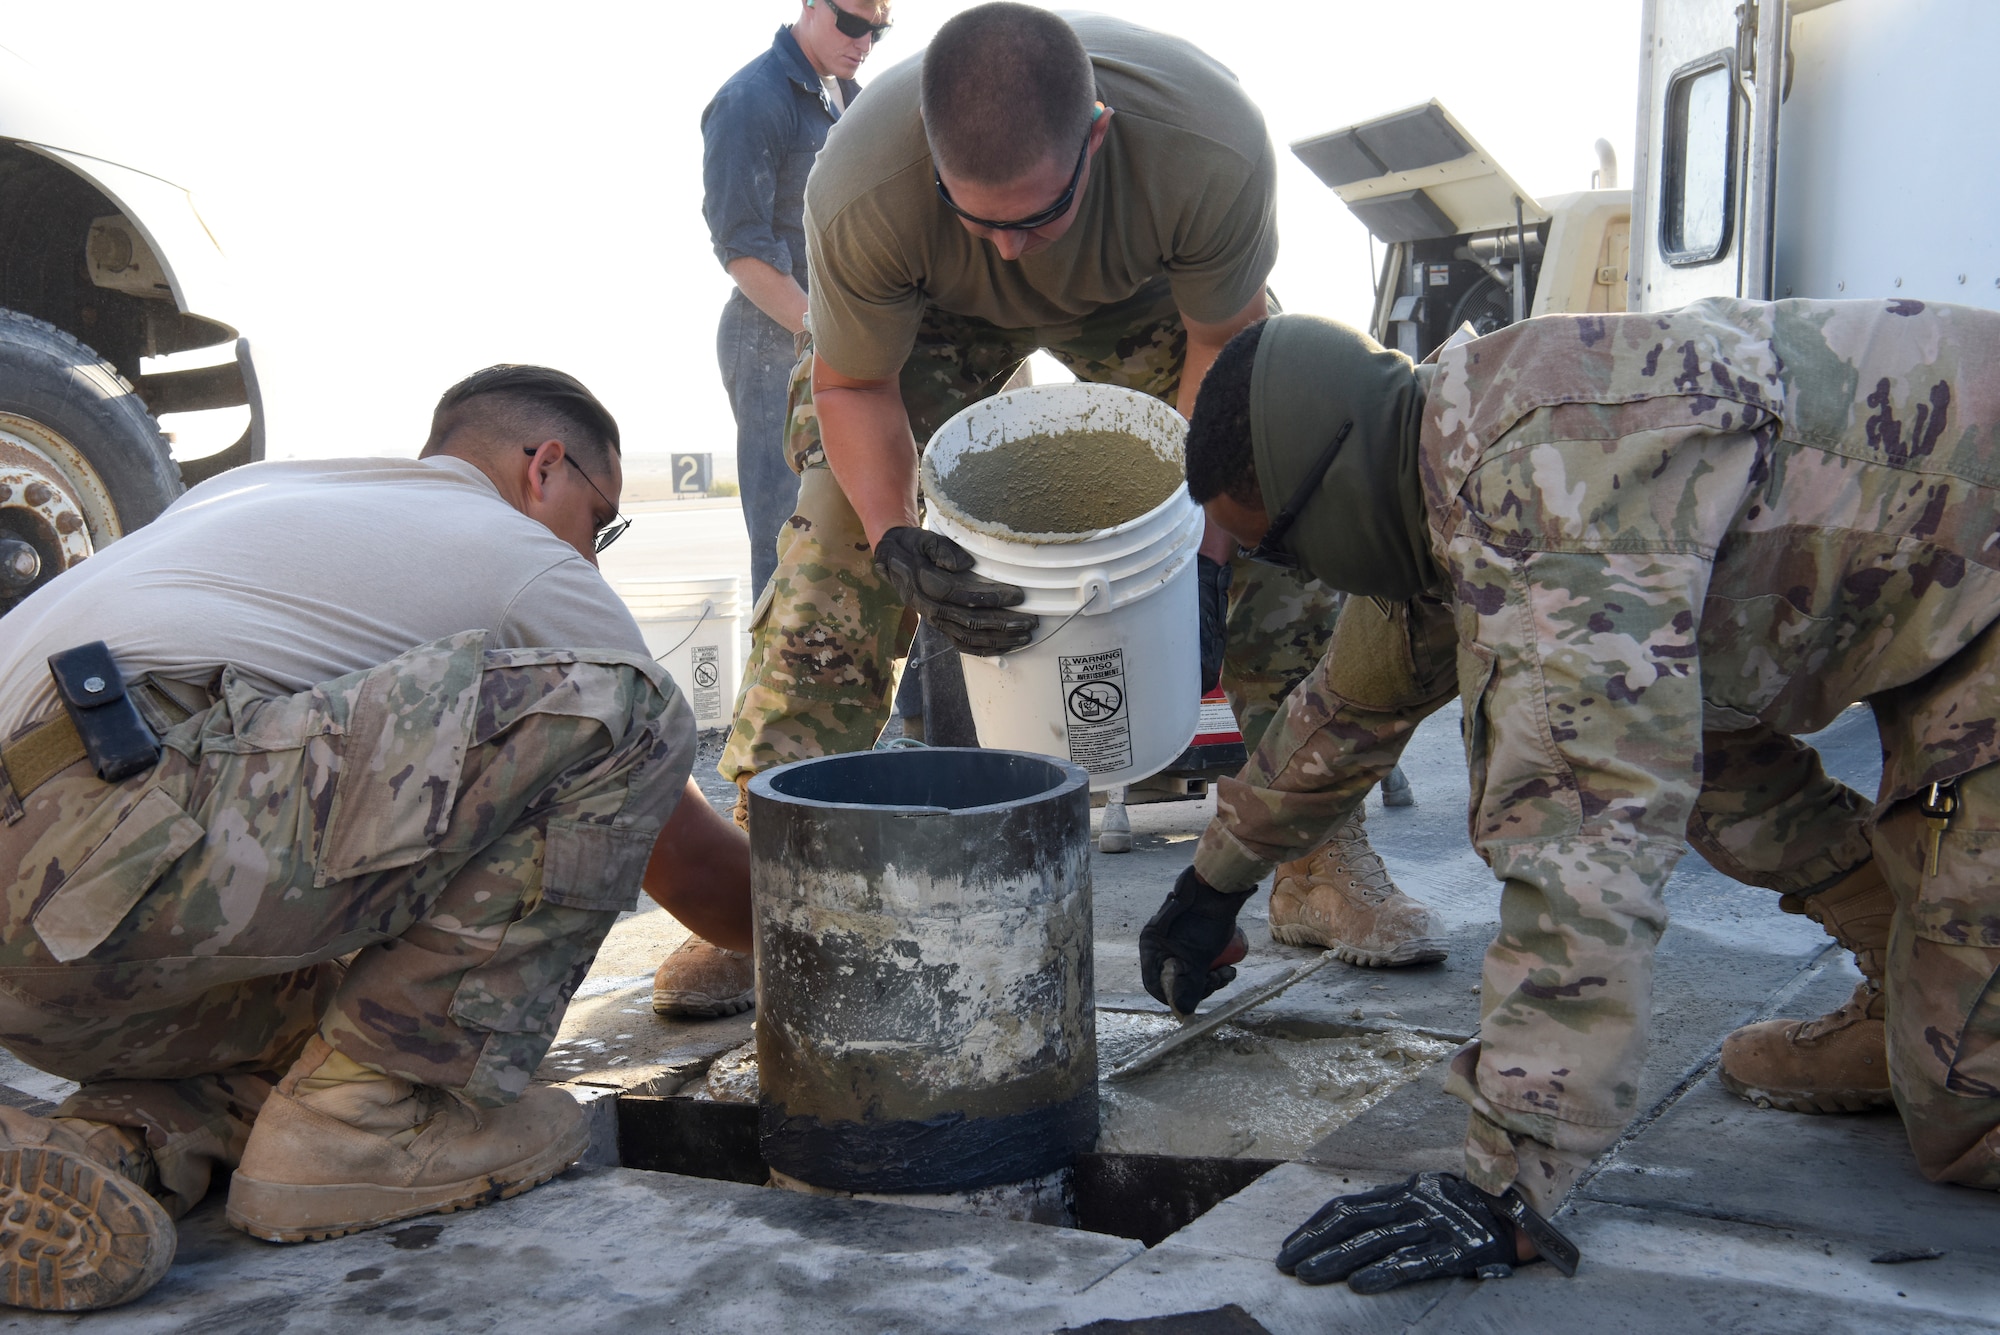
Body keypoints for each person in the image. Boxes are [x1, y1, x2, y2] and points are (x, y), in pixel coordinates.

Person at [1145, 297, 2000, 1291]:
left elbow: (1580, 850)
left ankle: (1944, 1050)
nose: (1282, 573)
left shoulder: (1547, 513)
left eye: (1279, 549)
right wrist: (1208, 888)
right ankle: (1907, 989)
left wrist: (1508, 1176)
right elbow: (1343, 711)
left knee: (1964, 1117)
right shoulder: (1437, 451)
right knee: (1710, 768)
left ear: (1327, 495)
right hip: (1943, 591)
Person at [706, 1, 1440, 1008]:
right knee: (832, 540)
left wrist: (1208, 547)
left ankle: (1316, 862)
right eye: (980, 218)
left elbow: (1223, 355)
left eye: (1034, 217)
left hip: (1145, 299)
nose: (1010, 250)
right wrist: (891, 542)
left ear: (1096, 138)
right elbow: (852, 387)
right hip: (931, 315)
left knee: (1273, 510)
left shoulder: (1204, 147)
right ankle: (757, 893)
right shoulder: (865, 184)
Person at [0, 366, 753, 1312]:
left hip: (69, 937)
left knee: (347, 1027)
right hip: (90, 841)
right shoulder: (522, 555)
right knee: (629, 710)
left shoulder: (262, 494)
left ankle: (97, 1150)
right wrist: (841, 925)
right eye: (600, 523)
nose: (592, 558)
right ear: (545, 468)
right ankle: (363, 1132)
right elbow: (691, 867)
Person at [667, 0, 889, 1020]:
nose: (863, 39)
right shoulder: (752, 100)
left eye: (881, 27)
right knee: (791, 552)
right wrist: (830, 332)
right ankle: (766, 824)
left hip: (846, 342)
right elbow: (741, 249)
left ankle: (878, 756)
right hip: (778, 339)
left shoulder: (848, 98)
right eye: (851, 19)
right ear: (806, 5)